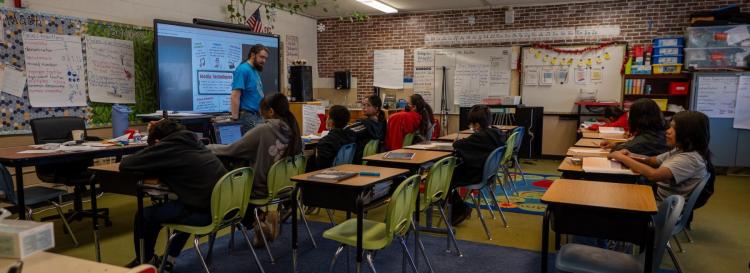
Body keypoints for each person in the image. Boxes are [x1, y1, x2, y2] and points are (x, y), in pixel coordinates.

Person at [120, 119, 227, 271]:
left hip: (204, 215)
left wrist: (155, 147)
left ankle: (146, 262)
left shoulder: (169, 147)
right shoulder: (192, 141)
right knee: (181, 206)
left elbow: (126, 164)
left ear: (158, 142)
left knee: (144, 215)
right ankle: (168, 259)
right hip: (221, 209)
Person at [208, 93, 302, 239]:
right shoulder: (293, 130)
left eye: (261, 114)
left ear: (271, 112)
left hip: (261, 188)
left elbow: (231, 150)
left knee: (228, 193)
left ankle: (259, 220)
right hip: (283, 186)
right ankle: (261, 218)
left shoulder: (263, 130)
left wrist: (207, 147)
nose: (261, 118)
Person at [609, 111, 712, 201]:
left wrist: (622, 158)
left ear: (689, 134)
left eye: (674, 128)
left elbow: (654, 175)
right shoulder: (680, 150)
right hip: (657, 195)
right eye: (670, 126)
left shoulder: (690, 159)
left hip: (661, 206)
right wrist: (631, 155)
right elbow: (652, 160)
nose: (668, 131)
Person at [449, 105, 507, 225]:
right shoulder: (498, 133)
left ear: (477, 125)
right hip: (488, 173)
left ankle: (459, 209)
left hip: (477, 175)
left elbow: (458, 145)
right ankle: (458, 208)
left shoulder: (479, 137)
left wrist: (457, 142)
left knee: (446, 178)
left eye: (472, 125)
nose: (471, 127)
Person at [600, 98, 668, 156]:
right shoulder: (660, 131)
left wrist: (616, 146)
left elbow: (617, 151)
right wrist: (615, 144)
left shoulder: (647, 139)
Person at [231, 44, 269, 134]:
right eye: (262, 57)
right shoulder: (243, 69)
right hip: (248, 116)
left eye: (265, 58)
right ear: (252, 55)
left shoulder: (254, 70)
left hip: (258, 116)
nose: (264, 61)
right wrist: (235, 120)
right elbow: (235, 96)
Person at [307, 105, 357, 171]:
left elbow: (321, 166)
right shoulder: (352, 135)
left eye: (328, 117)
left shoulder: (326, 142)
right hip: (344, 171)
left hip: (326, 175)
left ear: (331, 121)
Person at [348, 94, 387, 164]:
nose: (364, 108)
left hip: (358, 159)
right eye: (363, 105)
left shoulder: (364, 124)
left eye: (368, 105)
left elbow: (347, 133)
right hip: (374, 159)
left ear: (376, 108)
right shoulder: (382, 122)